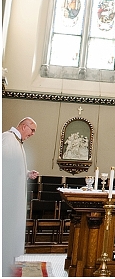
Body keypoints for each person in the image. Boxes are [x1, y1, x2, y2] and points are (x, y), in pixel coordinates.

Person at [2, 117, 39, 277]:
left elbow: (14, 167)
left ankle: (8, 259)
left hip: (15, 195)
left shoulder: (18, 143)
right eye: (32, 130)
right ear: (24, 126)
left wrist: (26, 173)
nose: (32, 134)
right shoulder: (7, 139)